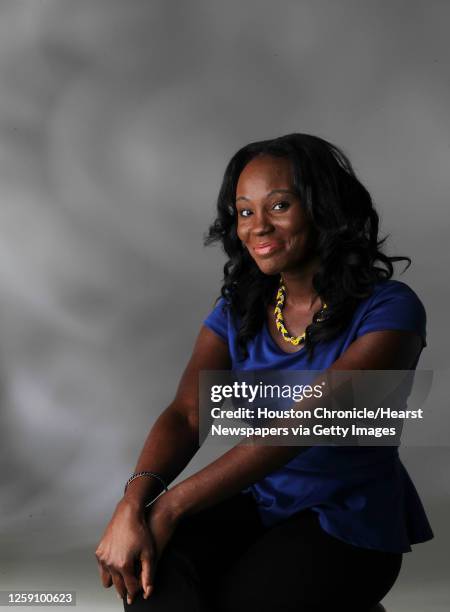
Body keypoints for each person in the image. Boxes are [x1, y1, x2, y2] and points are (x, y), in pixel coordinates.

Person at [95, 134, 433, 612]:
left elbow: (306, 425)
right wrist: (134, 504)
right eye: (245, 211)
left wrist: (169, 506)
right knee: (153, 579)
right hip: (258, 500)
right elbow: (190, 415)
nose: (257, 226)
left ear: (323, 208)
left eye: (279, 205)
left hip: (347, 519)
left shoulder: (391, 311)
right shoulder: (240, 308)